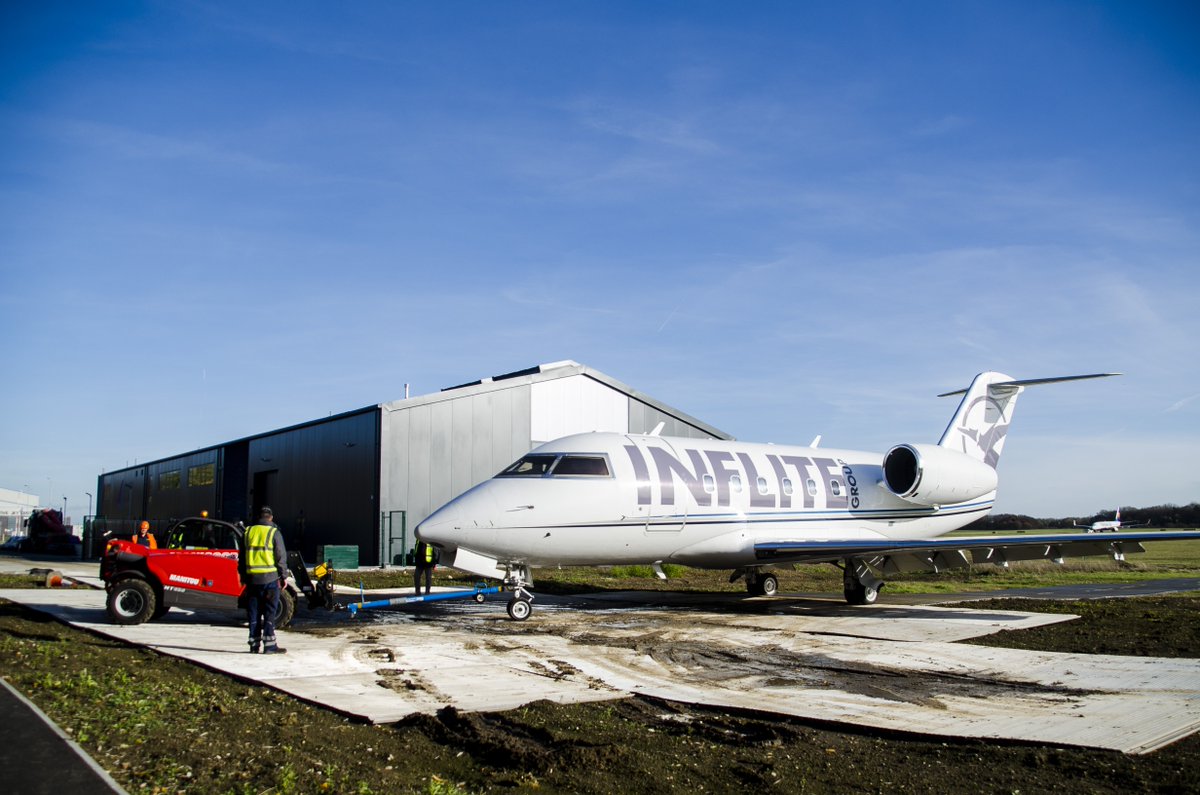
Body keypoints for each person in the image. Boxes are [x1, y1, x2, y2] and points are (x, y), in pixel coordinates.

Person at [238, 506, 287, 654]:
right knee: (269, 613)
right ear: (270, 518)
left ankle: (254, 645)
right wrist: (283, 576)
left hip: (252, 581)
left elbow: (242, 558)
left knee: (253, 613)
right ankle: (270, 646)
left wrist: (243, 577)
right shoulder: (274, 532)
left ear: (259, 517)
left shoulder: (247, 532)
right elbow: (280, 556)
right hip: (270, 580)